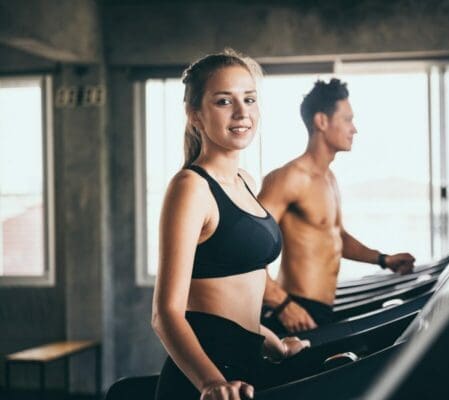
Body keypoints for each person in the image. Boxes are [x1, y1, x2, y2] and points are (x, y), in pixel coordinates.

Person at [152, 50, 309, 400]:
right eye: (224, 101)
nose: (242, 113)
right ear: (195, 114)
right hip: (207, 380)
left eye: (249, 99)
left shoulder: (246, 181)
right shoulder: (191, 188)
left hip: (247, 368)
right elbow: (166, 314)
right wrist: (210, 383)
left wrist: (273, 344)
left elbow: (238, 297)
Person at [258, 78, 416, 334]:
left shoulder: (329, 179)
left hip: (319, 311)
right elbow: (247, 249)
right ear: (322, 121)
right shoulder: (289, 178)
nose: (354, 129)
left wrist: (383, 259)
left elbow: (336, 237)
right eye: (347, 119)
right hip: (293, 310)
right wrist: (281, 304)